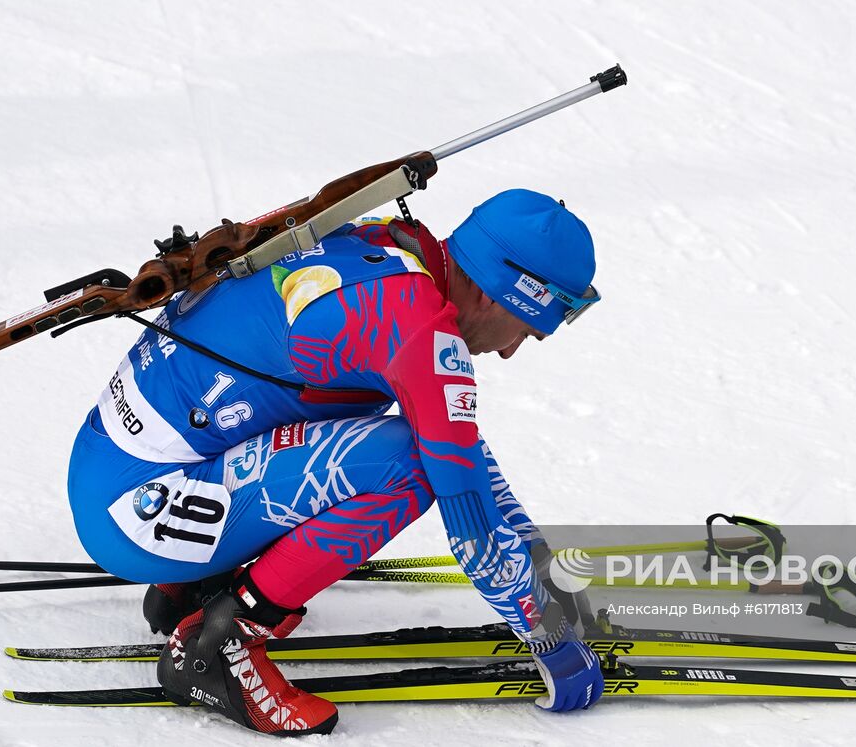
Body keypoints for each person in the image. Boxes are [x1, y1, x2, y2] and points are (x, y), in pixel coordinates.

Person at [66, 189, 604, 736]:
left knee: (410, 442)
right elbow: (469, 522)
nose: (511, 350)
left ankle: (194, 584)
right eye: (527, 328)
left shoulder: (383, 245)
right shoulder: (424, 333)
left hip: (112, 475)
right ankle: (220, 642)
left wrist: (535, 556)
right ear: (497, 294)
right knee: (411, 466)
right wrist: (553, 641)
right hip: (138, 518)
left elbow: (458, 443)